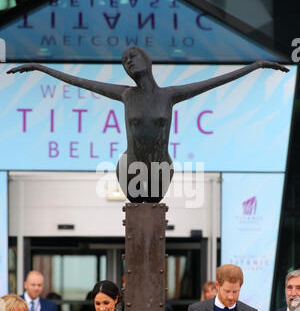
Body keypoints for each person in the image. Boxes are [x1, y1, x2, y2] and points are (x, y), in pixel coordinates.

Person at [7, 48, 288, 203]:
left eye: (133, 56)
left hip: (160, 167)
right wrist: (39, 67)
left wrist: (256, 66)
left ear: (147, 60)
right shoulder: (125, 95)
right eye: (125, 62)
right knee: (136, 215)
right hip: (130, 168)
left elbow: (215, 81)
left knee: (154, 213)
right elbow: (79, 81)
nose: (129, 62)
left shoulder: (169, 95)